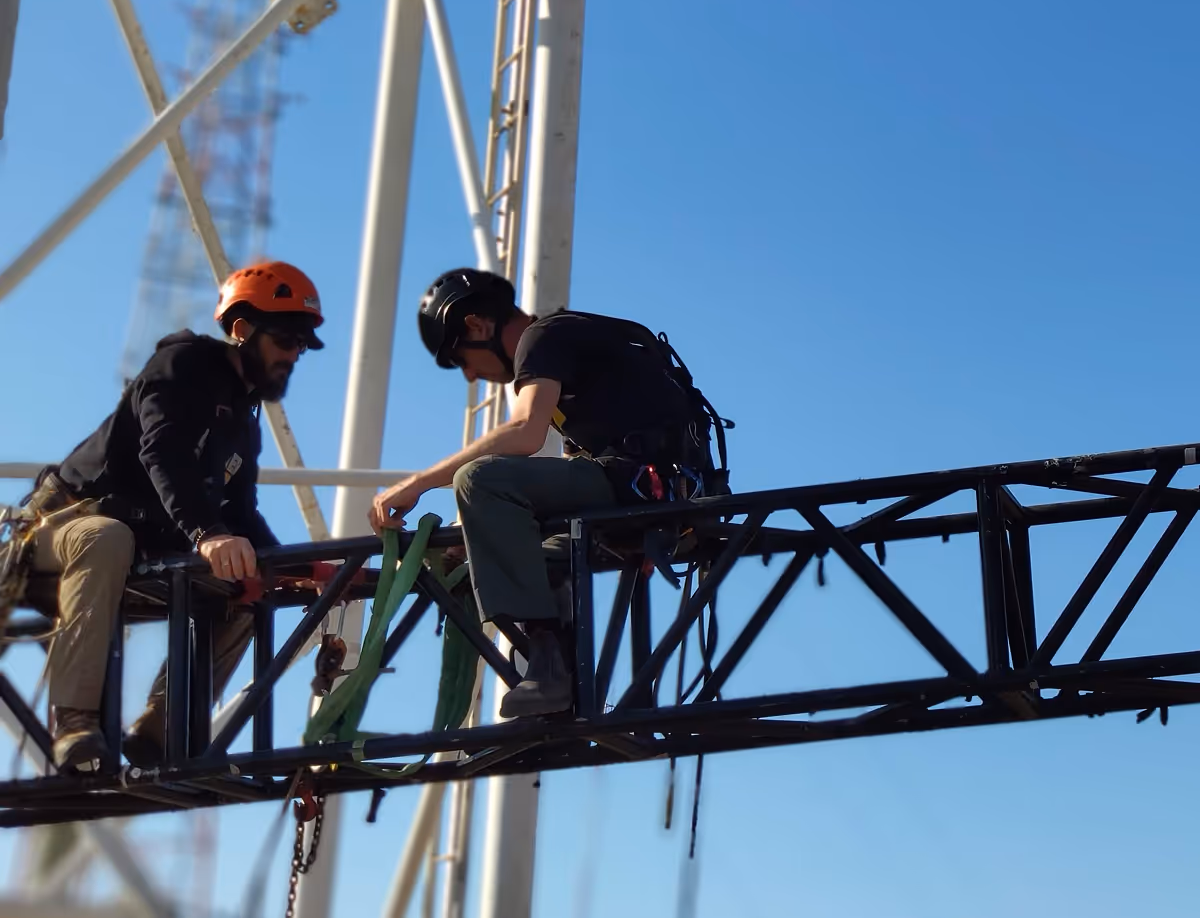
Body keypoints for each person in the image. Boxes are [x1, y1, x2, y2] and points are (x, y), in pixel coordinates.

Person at [372, 270, 716, 718]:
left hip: (645, 490)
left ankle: (549, 670)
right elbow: (575, 467)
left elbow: (524, 433)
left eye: (463, 358)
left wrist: (417, 484)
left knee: (479, 479)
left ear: (477, 325)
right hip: (658, 494)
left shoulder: (541, 337)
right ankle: (555, 690)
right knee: (531, 551)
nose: (472, 374)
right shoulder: (577, 350)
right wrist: (474, 530)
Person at [23, 261, 321, 772]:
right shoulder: (182, 366)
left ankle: (163, 732)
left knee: (247, 580)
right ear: (242, 330)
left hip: (138, 555)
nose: (294, 355)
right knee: (107, 537)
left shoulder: (243, 422)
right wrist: (207, 533)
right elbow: (161, 453)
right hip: (59, 533)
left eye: (302, 346)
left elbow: (241, 513)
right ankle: (75, 727)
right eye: (286, 340)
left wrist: (307, 571)